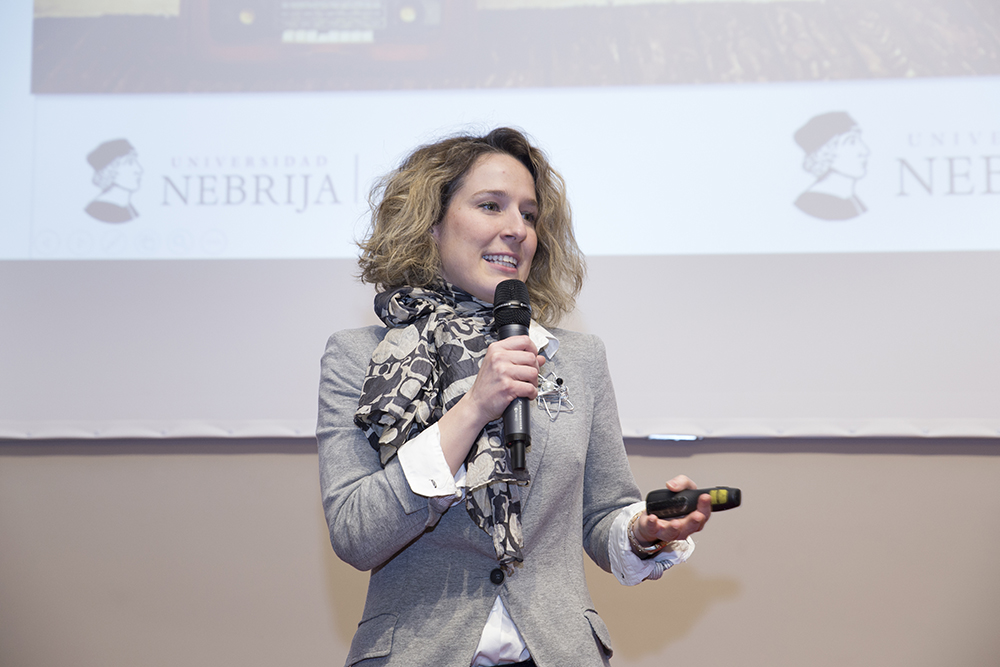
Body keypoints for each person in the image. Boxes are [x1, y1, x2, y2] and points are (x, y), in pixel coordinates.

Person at [317, 127, 711, 667]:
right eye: (490, 206)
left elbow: (602, 516)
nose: (516, 230)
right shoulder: (360, 356)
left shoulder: (576, 358)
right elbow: (356, 535)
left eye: (529, 214)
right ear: (431, 223)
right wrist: (475, 407)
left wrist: (644, 531)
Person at [793, 111, 870, 221]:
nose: (865, 151)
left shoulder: (851, 200)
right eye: (851, 142)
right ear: (825, 153)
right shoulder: (815, 203)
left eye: (859, 140)